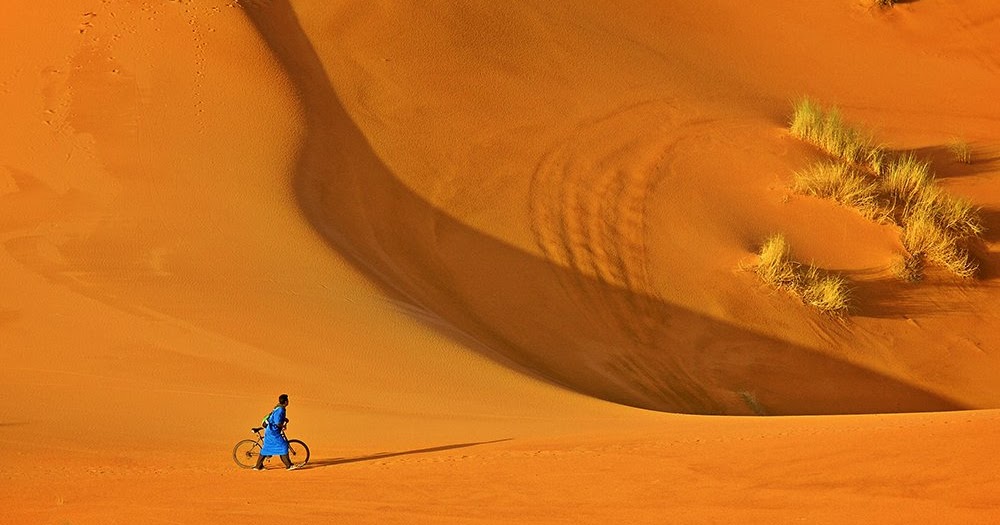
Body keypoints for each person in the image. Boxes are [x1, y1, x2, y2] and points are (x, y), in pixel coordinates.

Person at [253, 393, 299, 471]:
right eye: (287, 400)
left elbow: (275, 418)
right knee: (283, 446)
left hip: (270, 431)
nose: (288, 402)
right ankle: (288, 465)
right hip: (273, 432)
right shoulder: (280, 410)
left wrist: (284, 419)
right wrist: (282, 426)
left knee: (266, 448)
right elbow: (277, 422)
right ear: (285, 401)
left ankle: (258, 466)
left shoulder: (278, 408)